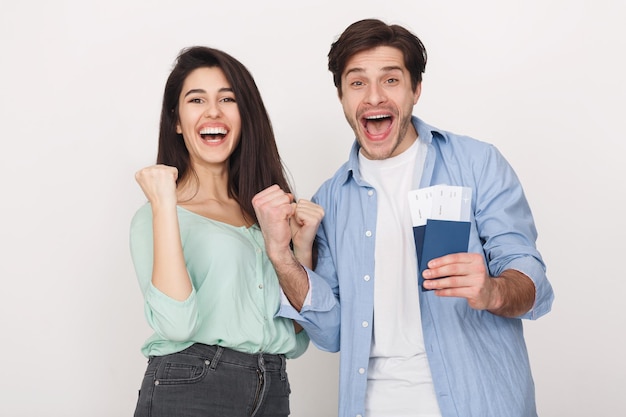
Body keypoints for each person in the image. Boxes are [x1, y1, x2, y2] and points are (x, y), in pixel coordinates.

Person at [253, 19, 555, 417]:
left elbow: (529, 275)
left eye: (391, 80)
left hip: (479, 402)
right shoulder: (331, 199)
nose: (374, 97)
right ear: (342, 96)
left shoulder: (477, 164)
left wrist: (493, 291)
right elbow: (329, 333)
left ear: (416, 90)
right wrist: (285, 256)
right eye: (357, 82)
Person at [129, 46, 323, 417]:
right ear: (176, 120)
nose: (213, 111)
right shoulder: (157, 216)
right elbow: (177, 325)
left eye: (227, 98)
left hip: (272, 386)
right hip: (192, 386)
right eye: (196, 99)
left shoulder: (268, 212)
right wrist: (164, 205)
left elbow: (298, 339)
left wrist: (301, 248)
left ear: (245, 115)